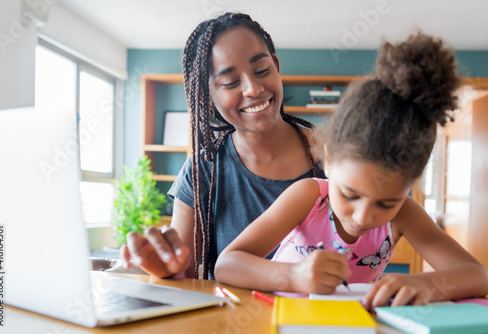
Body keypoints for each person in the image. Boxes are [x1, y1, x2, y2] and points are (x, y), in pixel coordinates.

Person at [214, 31, 488, 310]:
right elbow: (227, 264)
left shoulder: (405, 213)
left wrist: (424, 285)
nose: (363, 216)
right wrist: (294, 276)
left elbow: (478, 275)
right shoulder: (309, 196)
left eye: (386, 203)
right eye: (350, 195)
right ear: (329, 159)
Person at [120, 12, 322, 279]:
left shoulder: (332, 154)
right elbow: (184, 272)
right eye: (230, 82)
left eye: (262, 70)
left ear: (276, 65)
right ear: (207, 94)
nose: (252, 88)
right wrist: (165, 268)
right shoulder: (202, 170)